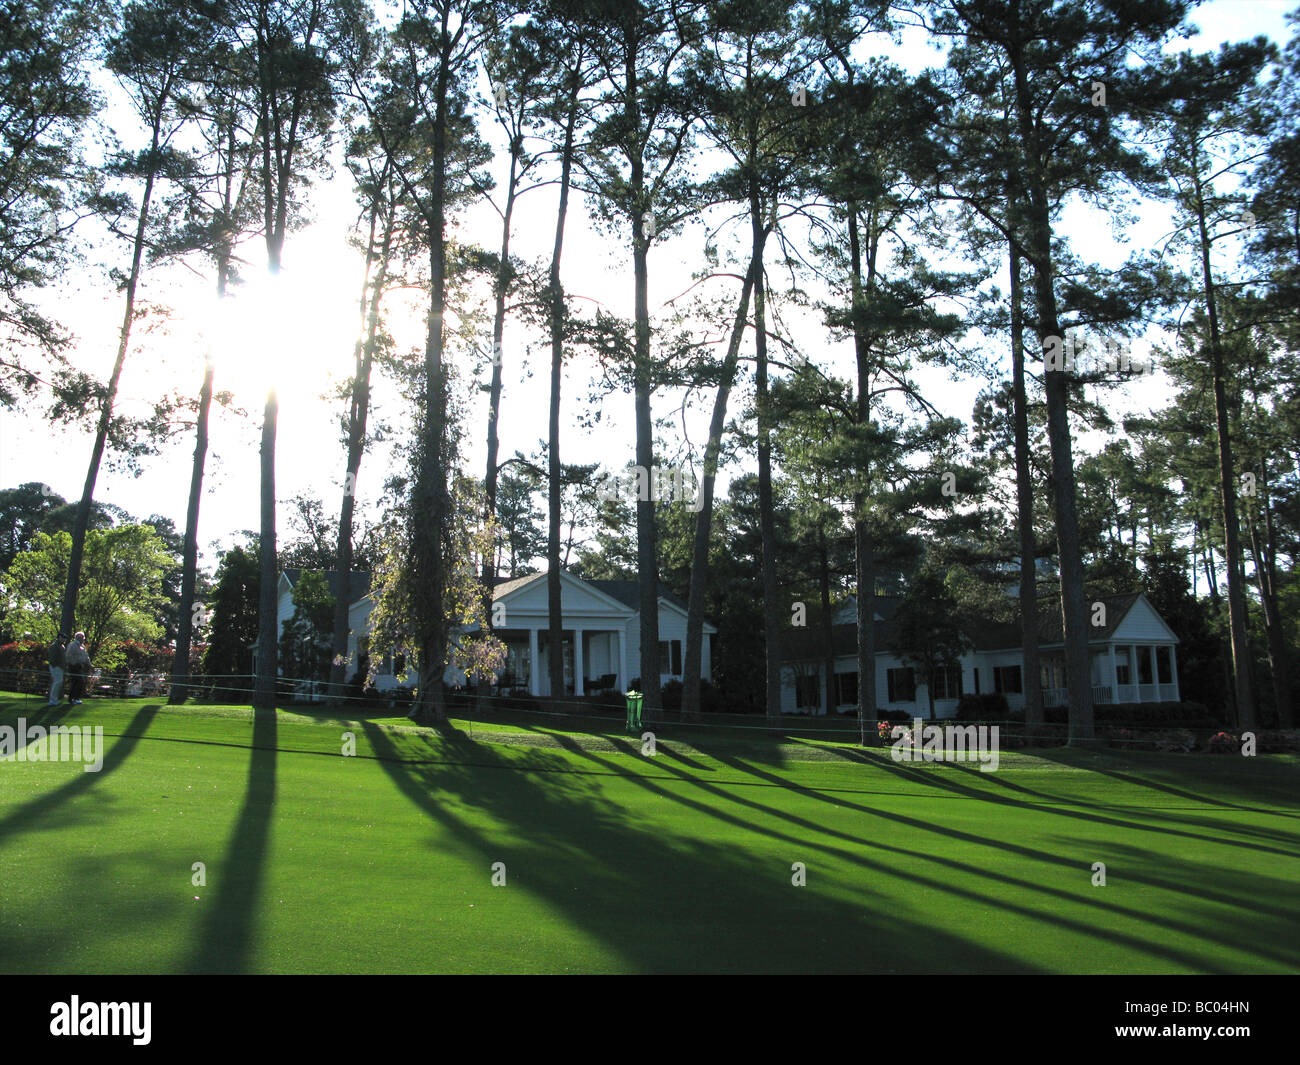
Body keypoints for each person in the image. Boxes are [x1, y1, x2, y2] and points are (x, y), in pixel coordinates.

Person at [66, 632, 91, 705]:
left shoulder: (82, 646)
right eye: (82, 638)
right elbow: (69, 656)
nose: (83, 640)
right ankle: (73, 698)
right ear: (79, 638)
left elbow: (86, 656)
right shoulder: (72, 645)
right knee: (78, 681)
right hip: (73, 666)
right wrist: (73, 663)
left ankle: (74, 698)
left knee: (78, 682)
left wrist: (89, 664)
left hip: (80, 666)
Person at [46, 634, 67, 707]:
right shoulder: (54, 646)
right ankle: (52, 700)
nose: (64, 639)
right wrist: (56, 666)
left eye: (64, 638)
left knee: (58, 683)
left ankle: (54, 700)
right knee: (57, 683)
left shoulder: (62, 646)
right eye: (62, 638)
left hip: (60, 667)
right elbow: (52, 658)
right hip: (56, 667)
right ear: (59, 638)